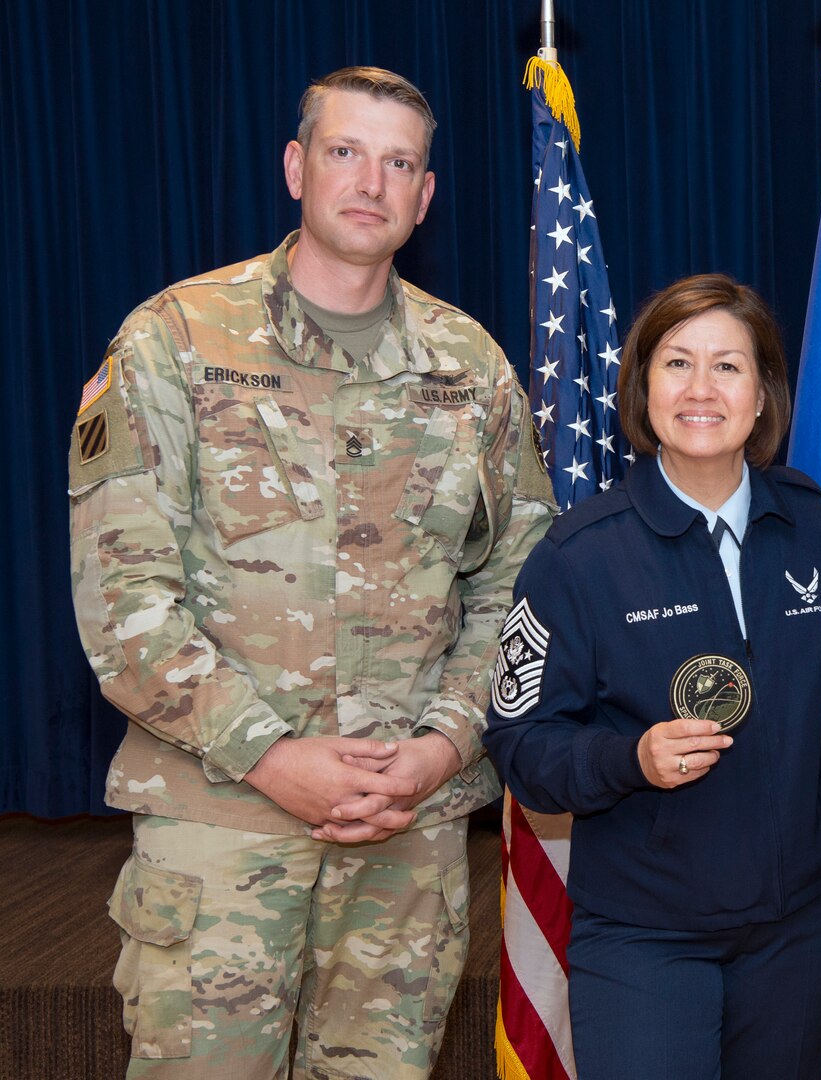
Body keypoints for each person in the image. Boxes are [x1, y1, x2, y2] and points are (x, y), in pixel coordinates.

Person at [67, 67, 553, 1078]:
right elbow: (124, 601)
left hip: (402, 827)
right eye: (344, 151)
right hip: (223, 820)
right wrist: (273, 757)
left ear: (425, 197)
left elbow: (520, 588)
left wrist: (441, 744)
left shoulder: (471, 366)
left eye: (399, 162)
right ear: (297, 167)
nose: (369, 181)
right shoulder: (174, 342)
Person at [484, 274, 821, 1079]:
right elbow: (519, 744)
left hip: (800, 929)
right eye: (677, 363)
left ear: (763, 397)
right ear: (641, 389)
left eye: (728, 366)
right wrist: (631, 760)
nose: (700, 389)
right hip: (646, 937)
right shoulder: (577, 557)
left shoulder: (814, 524)